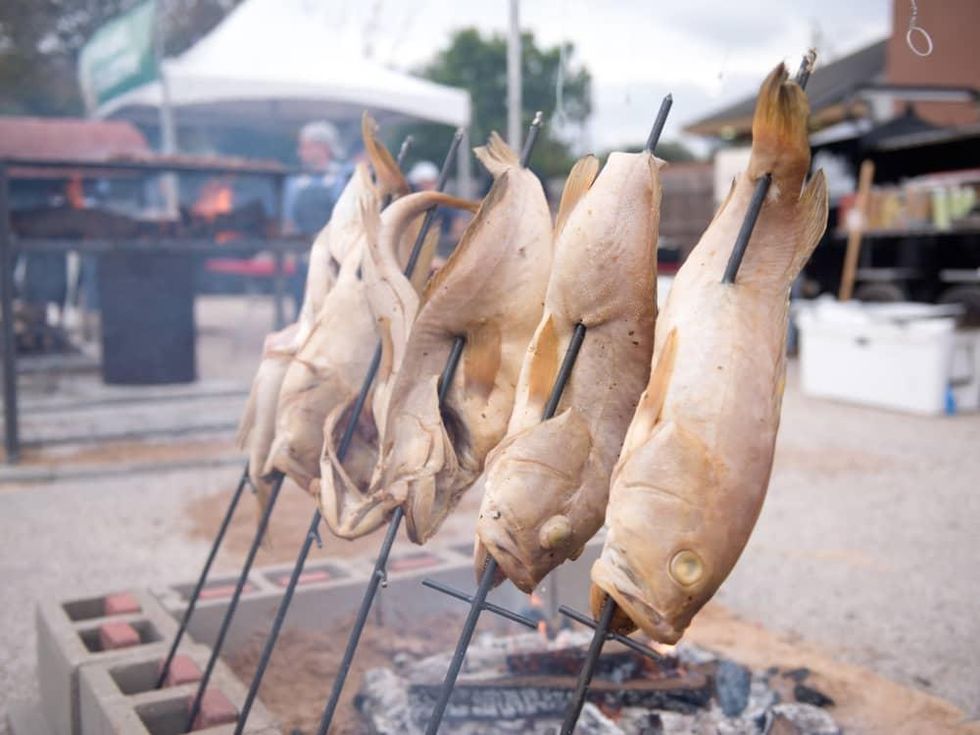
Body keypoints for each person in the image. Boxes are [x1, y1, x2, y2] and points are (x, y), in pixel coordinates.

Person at [282, 120, 346, 236]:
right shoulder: (294, 181)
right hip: (299, 242)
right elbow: (288, 222)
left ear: (323, 148)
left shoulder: (344, 177)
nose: (300, 152)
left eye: (305, 147)